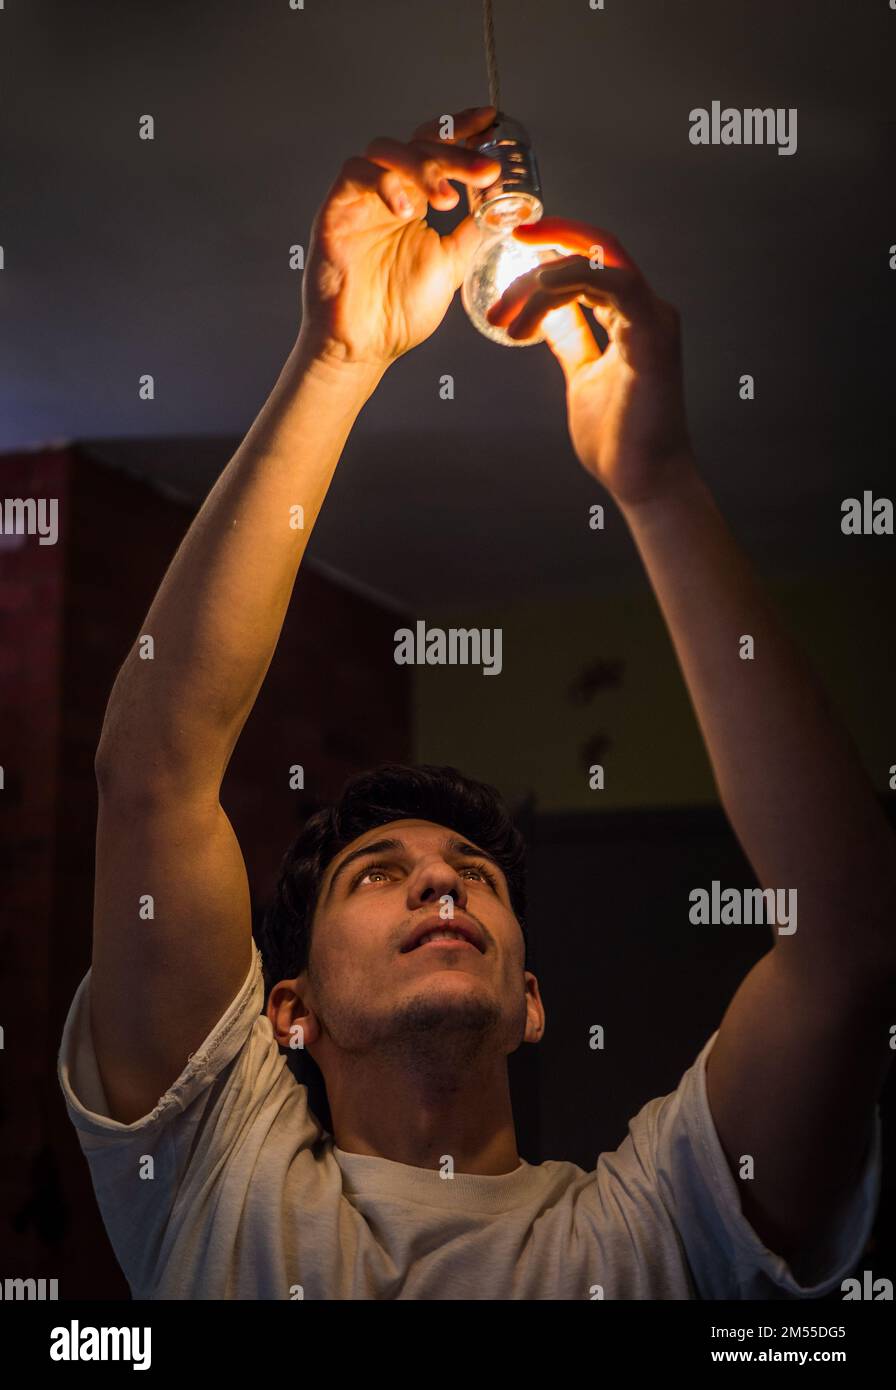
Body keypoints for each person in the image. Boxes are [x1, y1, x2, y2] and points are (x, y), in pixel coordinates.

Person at [57, 104, 893, 1300]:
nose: (440, 883)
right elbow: (150, 776)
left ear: (530, 1003)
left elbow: (850, 943)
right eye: (376, 873)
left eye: (473, 876)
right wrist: (335, 359)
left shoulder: (661, 1228)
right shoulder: (210, 1178)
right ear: (286, 1011)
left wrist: (653, 486)